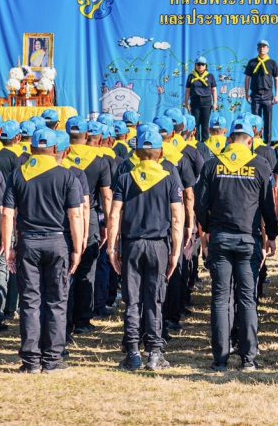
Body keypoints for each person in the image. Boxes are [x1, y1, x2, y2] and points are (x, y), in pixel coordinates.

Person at [194, 116, 278, 371]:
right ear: (250, 141)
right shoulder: (260, 166)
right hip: (248, 240)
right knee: (247, 298)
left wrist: (207, 230)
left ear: (229, 139)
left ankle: (220, 358)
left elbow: (200, 204)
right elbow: (269, 205)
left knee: (221, 299)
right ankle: (248, 357)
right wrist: (272, 235)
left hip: (220, 238)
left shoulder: (212, 165)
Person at [1, 127, 85, 373]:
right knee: (56, 301)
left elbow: (7, 214)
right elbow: (75, 214)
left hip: (28, 241)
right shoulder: (66, 176)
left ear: (31, 148)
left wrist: (8, 246)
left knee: (30, 301)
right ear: (56, 149)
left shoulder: (17, 174)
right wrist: (77, 248)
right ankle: (52, 359)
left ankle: (30, 360)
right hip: (58, 241)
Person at [107, 125, 184, 372]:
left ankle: (133, 353)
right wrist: (176, 251)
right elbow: (177, 217)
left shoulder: (125, 178)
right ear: (160, 153)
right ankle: (154, 353)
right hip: (158, 245)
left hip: (131, 244)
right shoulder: (169, 178)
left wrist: (112, 247)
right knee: (155, 299)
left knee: (132, 301)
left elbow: (114, 214)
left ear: (137, 152)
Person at [64, 117, 112, 338]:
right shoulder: (100, 161)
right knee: (86, 269)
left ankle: (64, 319)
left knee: (66, 269)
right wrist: (108, 224)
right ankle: (82, 319)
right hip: (89, 215)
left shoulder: (60, 156)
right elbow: (107, 196)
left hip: (63, 216)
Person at [245, 39, 278, 144]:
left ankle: (268, 143)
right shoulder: (252, 62)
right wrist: (246, 94)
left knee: (268, 120)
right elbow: (247, 79)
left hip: (268, 95)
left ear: (268, 49)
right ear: (257, 49)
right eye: (260, 47)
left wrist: (277, 95)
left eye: (264, 47)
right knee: (255, 121)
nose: (262, 49)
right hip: (255, 95)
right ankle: (256, 143)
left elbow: (276, 79)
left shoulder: (272, 63)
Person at [185, 57, 218, 142]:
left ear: (206, 66)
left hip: (206, 104)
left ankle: (205, 145)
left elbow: (214, 90)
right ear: (195, 65)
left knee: (205, 125)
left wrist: (215, 103)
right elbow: (188, 90)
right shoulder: (191, 76)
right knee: (195, 125)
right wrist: (186, 103)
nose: (200, 66)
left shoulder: (210, 76)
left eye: (202, 64)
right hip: (195, 104)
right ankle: (196, 144)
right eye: (198, 64)